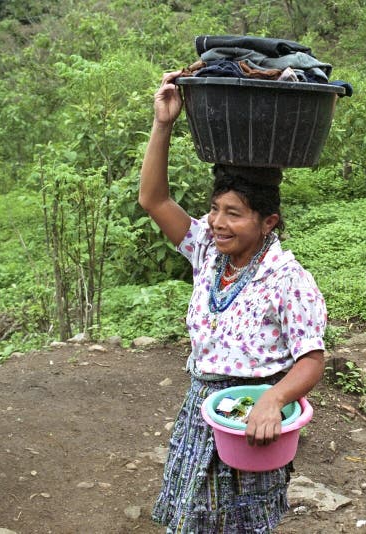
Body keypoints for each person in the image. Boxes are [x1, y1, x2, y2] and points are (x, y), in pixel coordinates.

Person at [139, 70, 327, 533]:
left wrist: (273, 400)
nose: (218, 223)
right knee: (188, 521)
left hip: (252, 419)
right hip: (201, 411)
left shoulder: (288, 278)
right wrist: (163, 123)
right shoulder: (206, 248)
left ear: (268, 222)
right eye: (215, 210)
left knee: (242, 524)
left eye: (234, 214)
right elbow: (153, 198)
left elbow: (311, 360)